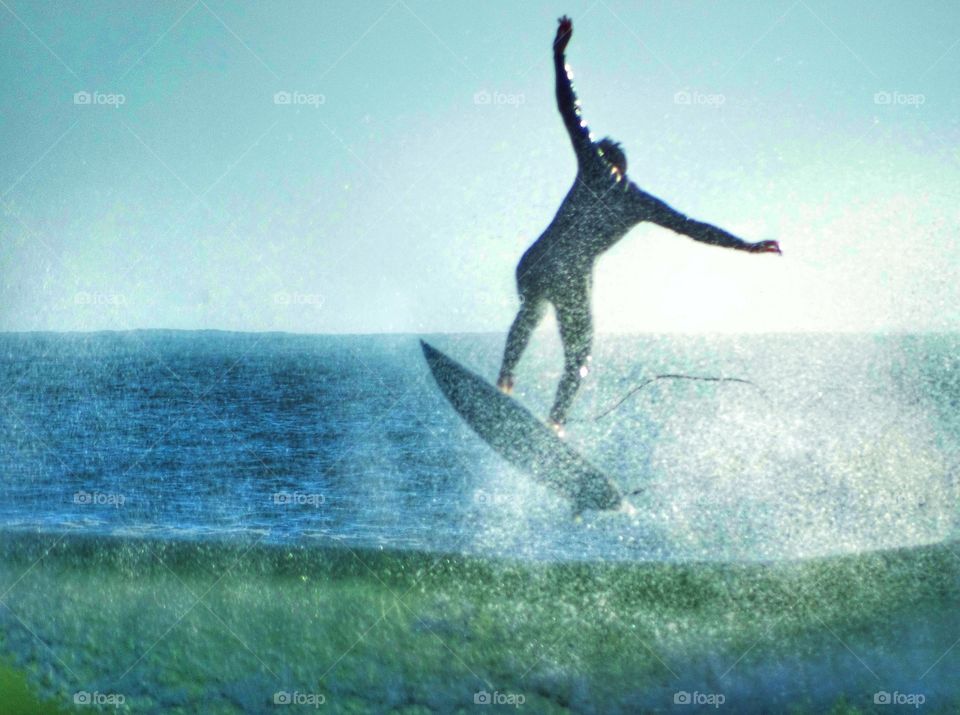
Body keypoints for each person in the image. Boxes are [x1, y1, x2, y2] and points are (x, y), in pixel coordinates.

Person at [496, 16, 781, 435]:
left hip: (546, 269)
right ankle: (538, 405)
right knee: (558, 331)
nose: (602, 167)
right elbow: (571, 112)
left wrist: (559, 56)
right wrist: (747, 246)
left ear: (617, 166)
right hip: (548, 268)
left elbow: (690, 226)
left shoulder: (624, 192)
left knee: (552, 326)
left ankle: (526, 395)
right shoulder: (629, 195)